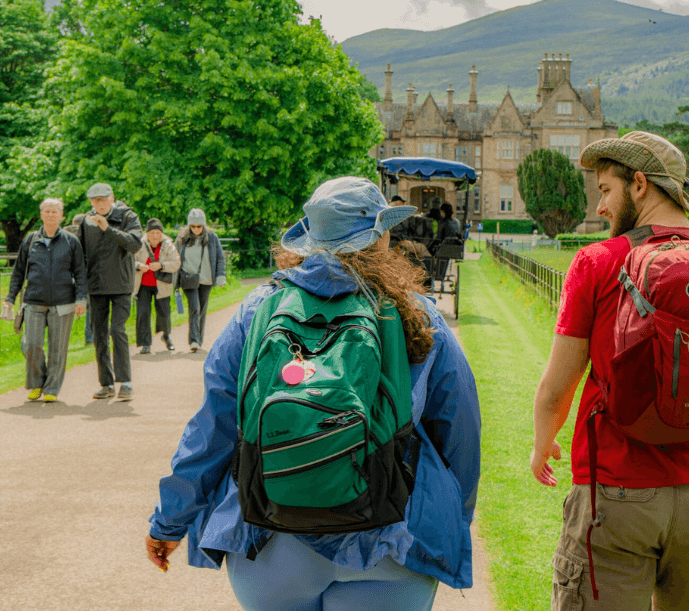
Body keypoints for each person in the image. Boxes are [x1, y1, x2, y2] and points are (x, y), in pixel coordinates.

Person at [144, 177, 481, 611]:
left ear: (310, 240)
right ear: (379, 237)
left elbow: (213, 429)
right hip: (390, 534)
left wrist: (169, 522)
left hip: (271, 535)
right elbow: (460, 432)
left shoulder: (257, 310)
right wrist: (452, 522)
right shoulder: (417, 313)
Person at [530, 131, 689, 610]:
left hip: (614, 491)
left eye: (605, 191)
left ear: (640, 184)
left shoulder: (595, 263)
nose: (601, 208)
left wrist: (542, 443)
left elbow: (556, 387)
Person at [3, 198, 87, 403]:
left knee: (58, 348)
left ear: (61, 216)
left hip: (63, 303)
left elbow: (80, 272)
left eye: (54, 211)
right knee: (31, 344)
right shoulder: (30, 240)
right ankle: (38, 382)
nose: (50, 215)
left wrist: (81, 299)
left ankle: (52, 388)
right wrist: (10, 298)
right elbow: (18, 272)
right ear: (41, 215)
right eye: (46, 211)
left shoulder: (71, 241)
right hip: (33, 301)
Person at [79, 182, 142, 401]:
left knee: (117, 330)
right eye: (96, 201)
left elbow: (135, 244)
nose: (100, 204)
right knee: (99, 335)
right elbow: (81, 255)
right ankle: (106, 384)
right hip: (96, 286)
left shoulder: (128, 216)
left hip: (122, 284)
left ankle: (125, 382)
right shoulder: (85, 222)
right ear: (91, 202)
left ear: (112, 197)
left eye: (104, 199)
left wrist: (108, 228)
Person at [174, 208, 226, 352]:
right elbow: (175, 258)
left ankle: (199, 340)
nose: (196, 229)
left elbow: (220, 257)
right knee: (195, 308)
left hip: (206, 280)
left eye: (199, 226)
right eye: (193, 226)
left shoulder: (212, 237)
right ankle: (194, 341)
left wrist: (221, 277)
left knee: (202, 310)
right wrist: (174, 281)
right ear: (189, 226)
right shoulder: (182, 238)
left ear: (203, 225)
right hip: (188, 279)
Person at [133, 218, 181, 354]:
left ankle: (166, 336)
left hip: (162, 285)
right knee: (143, 313)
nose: (155, 236)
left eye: (158, 233)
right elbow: (129, 259)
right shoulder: (139, 244)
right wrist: (138, 265)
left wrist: (161, 265)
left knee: (164, 313)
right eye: (152, 233)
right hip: (143, 285)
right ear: (147, 233)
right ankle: (145, 343)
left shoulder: (168, 245)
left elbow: (176, 262)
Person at [64, 213, 94, 346]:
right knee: (90, 308)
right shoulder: (91, 235)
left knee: (66, 309)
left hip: (69, 276)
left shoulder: (65, 234)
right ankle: (90, 337)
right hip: (88, 275)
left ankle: (63, 338)